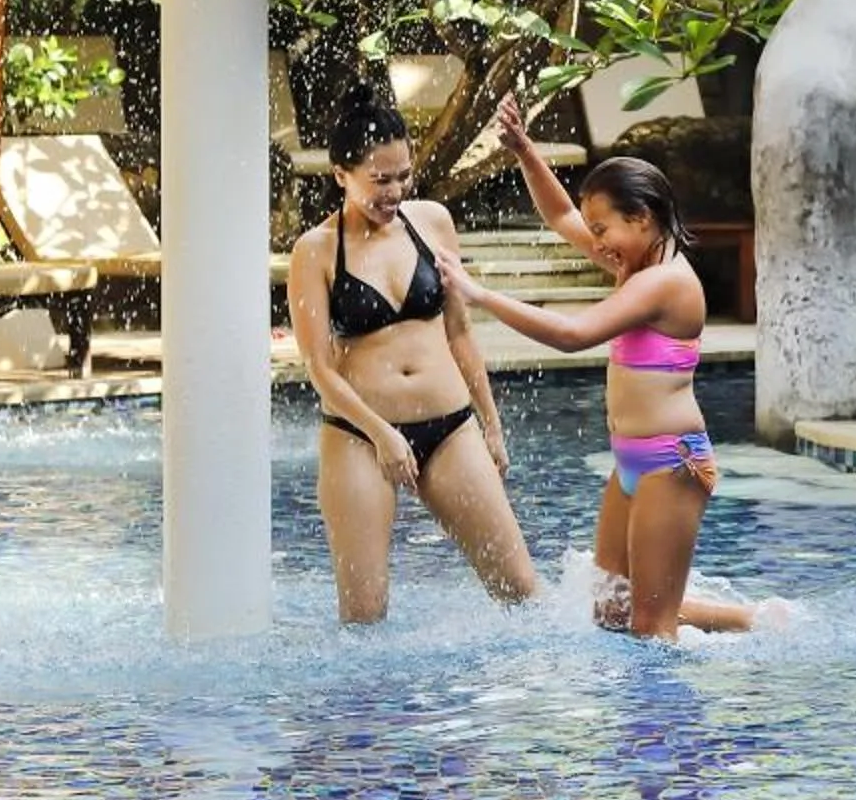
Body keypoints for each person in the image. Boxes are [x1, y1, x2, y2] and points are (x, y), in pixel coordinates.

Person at [458, 94, 766, 641]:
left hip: (672, 464)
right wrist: (525, 151)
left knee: (651, 629)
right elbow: (559, 216)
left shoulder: (665, 282)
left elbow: (574, 336)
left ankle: (663, 726)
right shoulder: (636, 257)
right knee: (613, 612)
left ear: (642, 218)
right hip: (632, 463)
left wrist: (480, 295)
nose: (595, 242)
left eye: (602, 230)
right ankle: (752, 621)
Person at [287, 77, 539, 624]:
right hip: (361, 435)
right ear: (341, 176)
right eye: (379, 180)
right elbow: (319, 369)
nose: (394, 192)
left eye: (404, 176)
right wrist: (383, 433)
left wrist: (491, 424)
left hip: (449, 426)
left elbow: (460, 333)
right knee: (365, 615)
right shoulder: (316, 251)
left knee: (521, 590)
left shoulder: (432, 223)